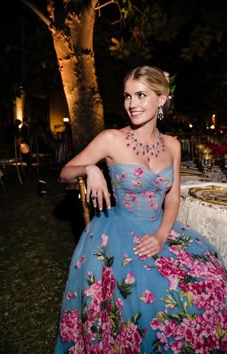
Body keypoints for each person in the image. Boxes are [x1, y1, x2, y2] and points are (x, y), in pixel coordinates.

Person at [54, 66, 227, 353]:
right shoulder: (112, 139)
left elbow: (172, 200)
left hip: (160, 229)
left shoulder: (172, 145)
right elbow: (65, 172)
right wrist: (89, 169)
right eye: (127, 96)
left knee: (214, 279)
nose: (132, 104)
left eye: (141, 95)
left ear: (161, 99)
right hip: (118, 232)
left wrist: (161, 236)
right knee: (149, 297)